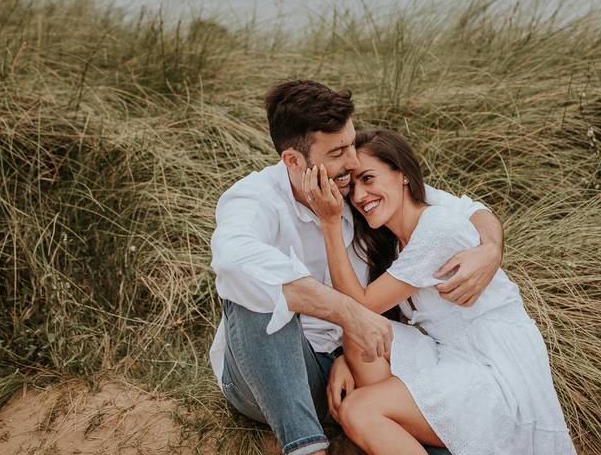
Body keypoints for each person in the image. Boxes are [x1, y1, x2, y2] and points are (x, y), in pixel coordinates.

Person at [210, 80, 506, 455]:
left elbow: (464, 208)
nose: (352, 161)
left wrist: (491, 248)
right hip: (263, 382)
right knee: (252, 287)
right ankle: (307, 447)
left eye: (351, 144)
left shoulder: (357, 187)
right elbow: (233, 258)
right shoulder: (254, 199)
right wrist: (348, 315)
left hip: (353, 368)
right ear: (294, 161)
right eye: (337, 152)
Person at [305, 128, 576, 455]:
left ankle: (387, 425)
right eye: (354, 187)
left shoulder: (437, 229)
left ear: (401, 175)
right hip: (452, 355)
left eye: (369, 178)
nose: (359, 196)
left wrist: (330, 223)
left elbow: (358, 306)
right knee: (361, 336)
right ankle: (396, 434)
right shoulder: (395, 239)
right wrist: (344, 361)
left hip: (494, 365)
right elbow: (361, 320)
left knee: (358, 408)